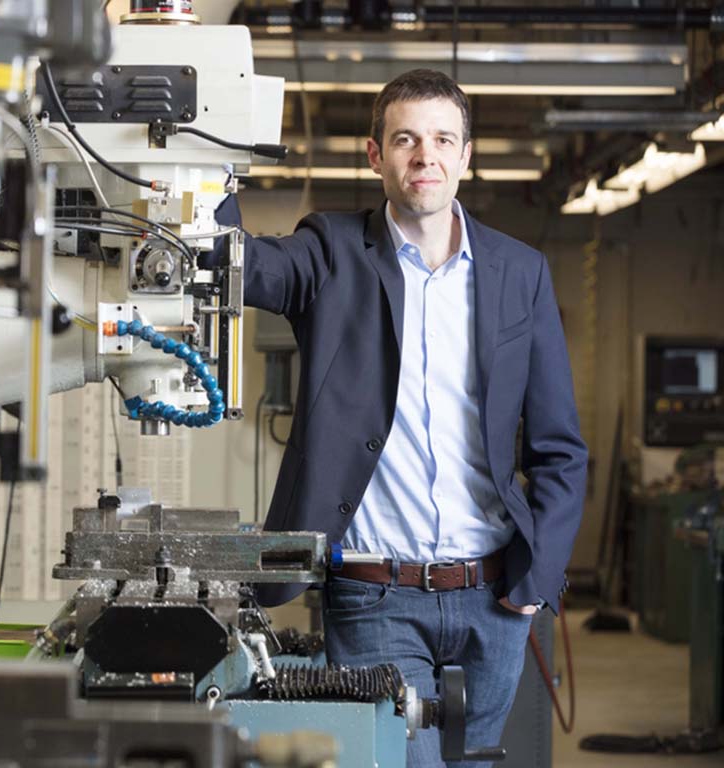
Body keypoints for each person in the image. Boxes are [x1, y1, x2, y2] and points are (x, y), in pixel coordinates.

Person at [214, 69, 587, 767]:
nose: (426, 156)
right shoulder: (330, 252)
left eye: (444, 139)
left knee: (471, 763)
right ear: (374, 155)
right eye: (407, 140)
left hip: (492, 596)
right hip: (374, 595)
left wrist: (537, 582)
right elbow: (244, 268)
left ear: (466, 156)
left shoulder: (518, 272)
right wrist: (212, 172)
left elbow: (559, 447)